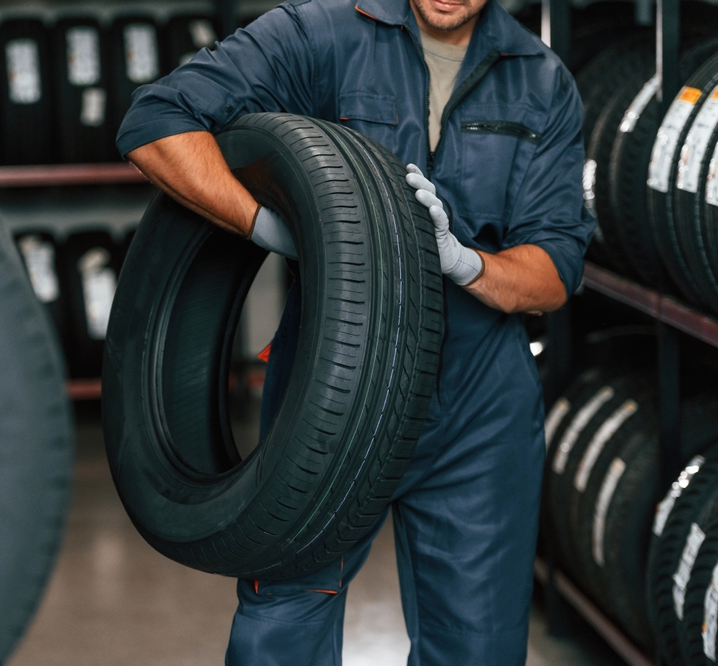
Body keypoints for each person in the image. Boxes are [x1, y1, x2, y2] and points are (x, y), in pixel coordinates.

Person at [116, 0, 594, 662]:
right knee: (284, 630)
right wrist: (265, 224)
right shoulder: (320, 35)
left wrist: (466, 263)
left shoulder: (540, 79)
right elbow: (157, 122)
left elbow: (556, 268)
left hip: (477, 412)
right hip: (335, 389)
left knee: (478, 647)